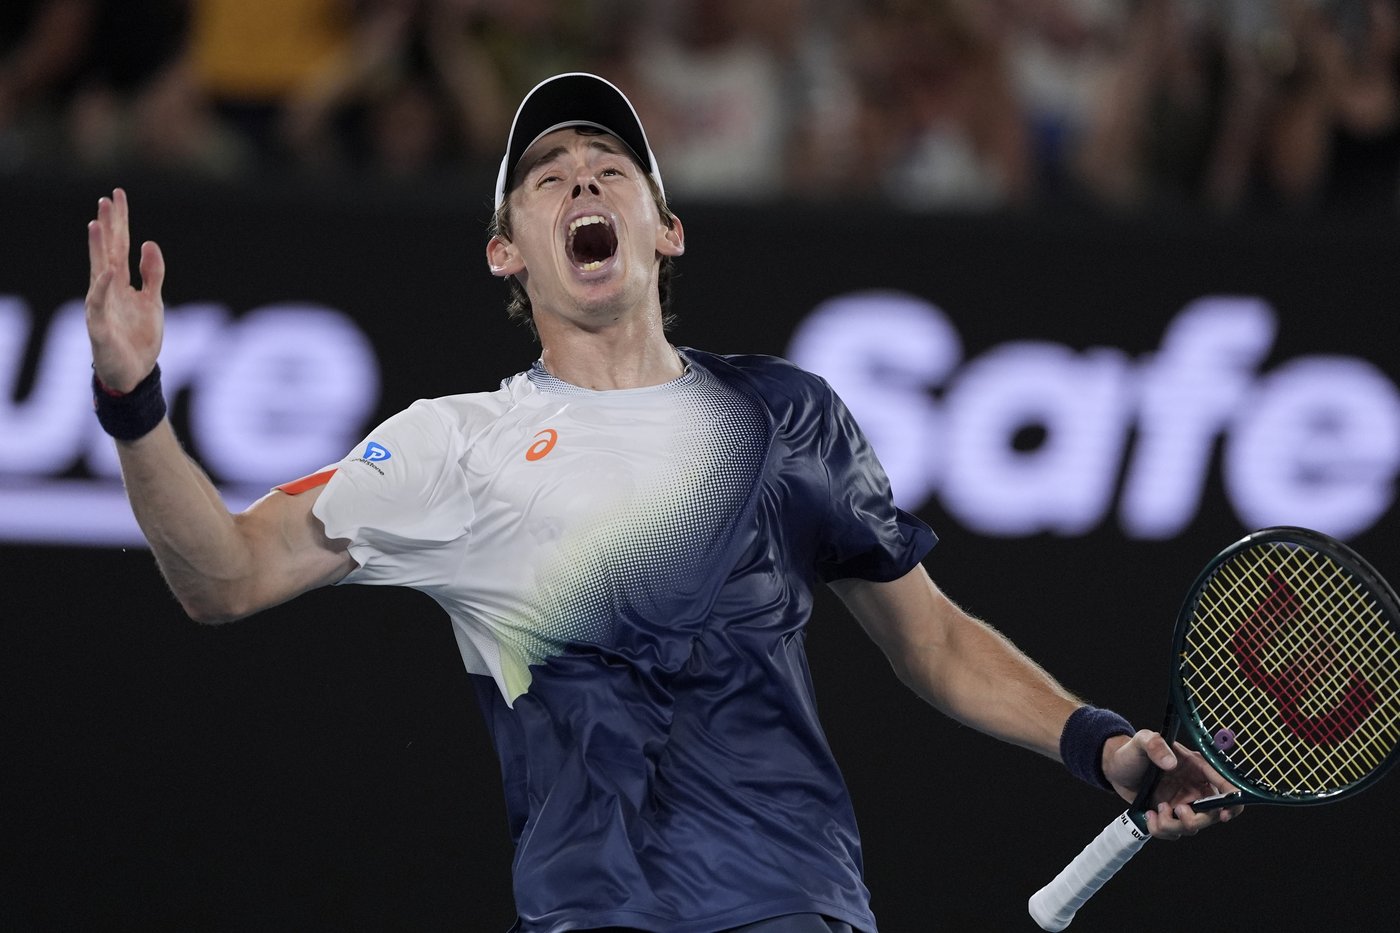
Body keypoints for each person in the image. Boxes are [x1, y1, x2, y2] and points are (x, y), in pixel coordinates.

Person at [84, 72, 1240, 933]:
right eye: (547, 177)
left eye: (610, 169)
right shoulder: (448, 446)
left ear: (663, 230)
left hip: (799, 907)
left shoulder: (784, 418)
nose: (581, 177)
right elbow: (222, 577)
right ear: (507, 254)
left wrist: (1101, 748)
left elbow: (930, 641)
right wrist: (135, 406)